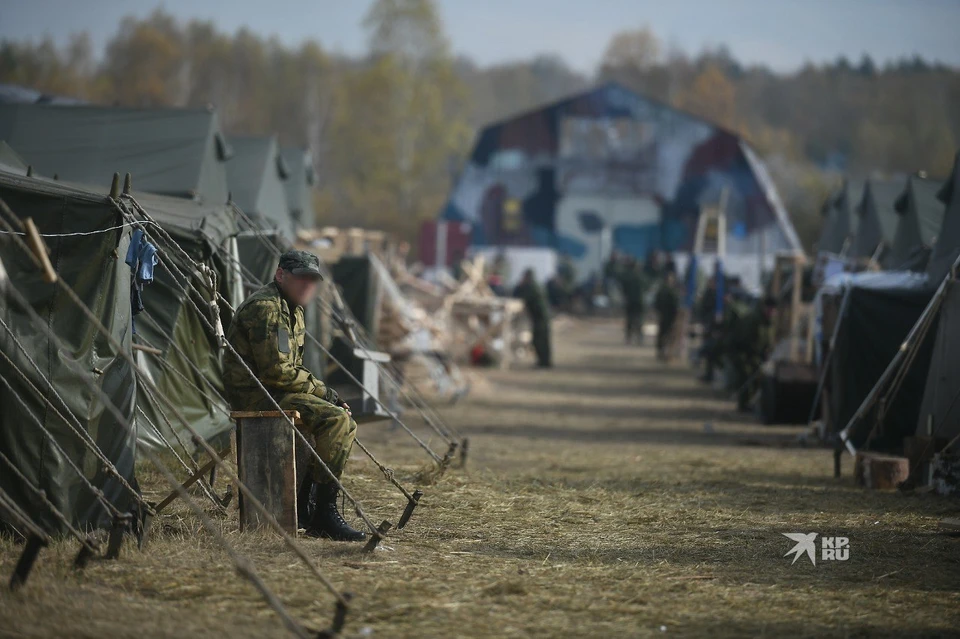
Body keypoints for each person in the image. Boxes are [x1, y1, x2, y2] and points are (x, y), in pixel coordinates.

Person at [223, 250, 365, 542]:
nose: (307, 285)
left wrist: (326, 395)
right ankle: (320, 514)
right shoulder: (266, 308)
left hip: (275, 391)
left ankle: (309, 507)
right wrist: (326, 391)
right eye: (301, 278)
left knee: (344, 421)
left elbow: (290, 370)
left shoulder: (293, 308)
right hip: (256, 395)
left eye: (312, 280)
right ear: (280, 275)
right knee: (336, 420)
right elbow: (278, 373)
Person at [729, 296, 776, 411]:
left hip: (755, 354)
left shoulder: (769, 322)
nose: (771, 312)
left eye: (773, 310)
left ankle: (750, 403)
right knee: (746, 376)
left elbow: (767, 340)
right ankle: (743, 404)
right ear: (764, 308)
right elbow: (744, 340)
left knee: (757, 377)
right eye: (769, 309)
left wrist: (766, 352)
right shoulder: (753, 319)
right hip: (743, 353)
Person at [513, 268, 552, 367]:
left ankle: (544, 362)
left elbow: (520, 296)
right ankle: (544, 362)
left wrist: (519, 286)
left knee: (540, 341)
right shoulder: (535, 285)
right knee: (541, 340)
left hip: (540, 317)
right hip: (540, 316)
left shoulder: (531, 287)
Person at [619, 258, 646, 344]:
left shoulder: (627, 276)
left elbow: (623, 288)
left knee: (630, 320)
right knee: (639, 320)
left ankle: (628, 338)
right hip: (639, 301)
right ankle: (639, 338)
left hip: (630, 301)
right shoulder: (641, 276)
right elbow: (646, 287)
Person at [654, 271, 680, 361]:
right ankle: (667, 353)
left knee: (663, 334)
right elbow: (675, 305)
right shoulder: (672, 291)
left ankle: (662, 351)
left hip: (664, 315)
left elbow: (656, 303)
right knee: (669, 334)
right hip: (669, 316)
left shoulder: (661, 290)